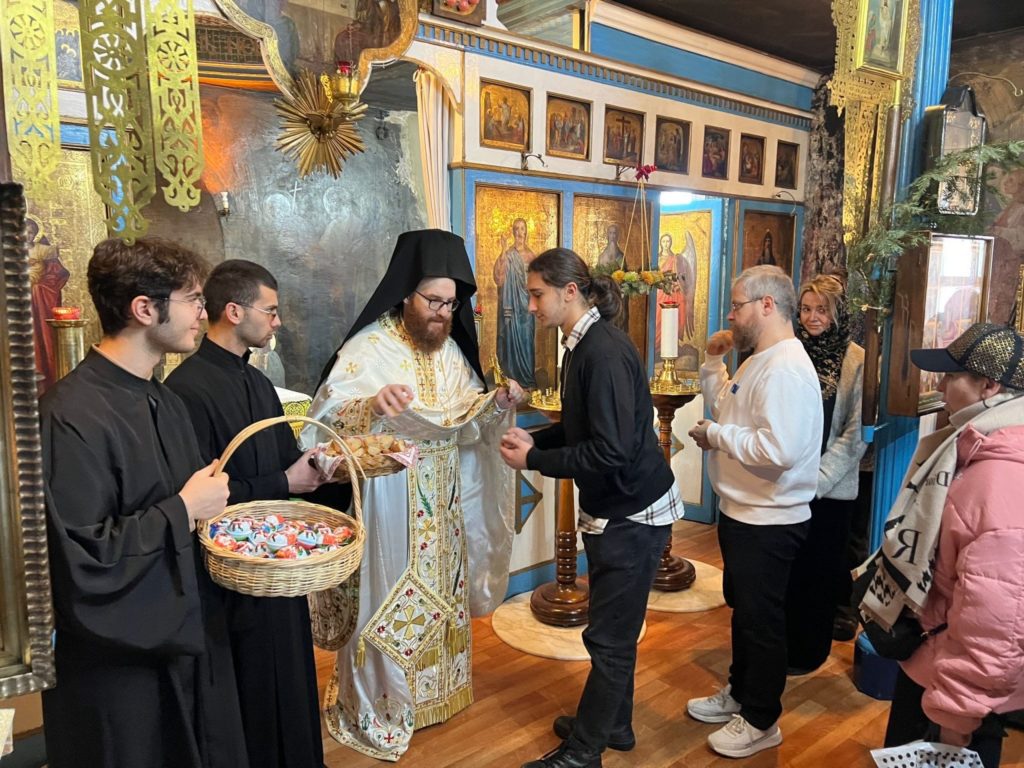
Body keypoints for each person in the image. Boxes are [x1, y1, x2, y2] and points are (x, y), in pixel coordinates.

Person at [303, 229, 523, 761]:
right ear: (406, 294)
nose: (443, 314)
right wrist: (373, 405)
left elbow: (467, 426)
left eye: (451, 304)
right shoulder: (368, 348)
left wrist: (497, 403)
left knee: (442, 593)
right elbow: (323, 425)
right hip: (388, 502)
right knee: (389, 594)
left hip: (442, 503)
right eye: (433, 301)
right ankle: (384, 703)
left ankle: (438, 694)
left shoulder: (451, 354)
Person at [40, 237, 249, 768]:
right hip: (118, 668)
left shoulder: (164, 398)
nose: (204, 314)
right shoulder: (70, 413)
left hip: (185, 639)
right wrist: (183, 509)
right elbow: (83, 558)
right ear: (143, 309)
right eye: (194, 301)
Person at [501, 247, 682, 768]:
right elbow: (586, 429)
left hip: (632, 511)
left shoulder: (600, 352)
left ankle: (585, 751)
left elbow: (611, 451)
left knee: (609, 636)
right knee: (614, 628)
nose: (531, 306)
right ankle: (612, 724)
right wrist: (535, 439)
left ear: (570, 291)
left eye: (537, 294)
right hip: (620, 506)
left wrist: (536, 457)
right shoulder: (583, 345)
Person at [165, 260, 333, 768]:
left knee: (291, 676)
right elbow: (201, 495)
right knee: (250, 691)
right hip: (230, 578)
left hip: (276, 567)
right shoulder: (185, 391)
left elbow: (288, 462)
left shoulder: (259, 384)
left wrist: (326, 469)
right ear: (234, 311)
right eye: (271, 310)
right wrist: (286, 481)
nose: (277, 322)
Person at [864, 323, 1024, 768]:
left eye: (953, 376)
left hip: (956, 691)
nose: (940, 384)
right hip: (933, 664)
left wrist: (955, 715)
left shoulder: (1003, 476)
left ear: (989, 386)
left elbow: (998, 622)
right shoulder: (975, 446)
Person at [686, 264, 822, 759]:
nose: (730, 313)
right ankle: (740, 695)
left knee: (761, 622)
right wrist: (713, 366)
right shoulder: (758, 358)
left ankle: (763, 720)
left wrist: (715, 436)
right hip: (744, 511)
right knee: (745, 615)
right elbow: (727, 408)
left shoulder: (786, 366)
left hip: (771, 519)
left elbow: (779, 449)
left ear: (767, 305)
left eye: (738, 303)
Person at [783, 275, 868, 673]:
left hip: (828, 491)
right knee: (788, 570)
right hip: (787, 484)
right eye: (805, 309)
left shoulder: (857, 360)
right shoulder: (791, 351)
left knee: (819, 572)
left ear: (837, 313)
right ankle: (780, 646)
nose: (812, 317)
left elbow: (856, 432)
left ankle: (808, 652)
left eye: (821, 310)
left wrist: (817, 480)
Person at [493, 218, 537, 388]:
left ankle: (527, 379)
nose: (519, 232)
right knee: (510, 338)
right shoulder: (509, 254)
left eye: (522, 228)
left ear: (526, 232)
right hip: (511, 303)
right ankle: (510, 379)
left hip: (526, 305)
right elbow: (499, 277)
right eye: (516, 229)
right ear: (513, 232)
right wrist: (503, 250)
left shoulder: (531, 256)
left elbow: (538, 281)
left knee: (526, 339)